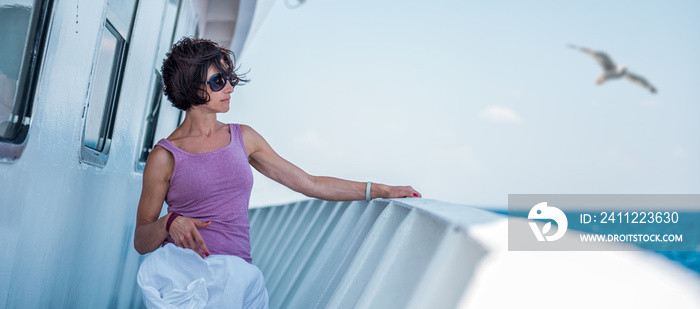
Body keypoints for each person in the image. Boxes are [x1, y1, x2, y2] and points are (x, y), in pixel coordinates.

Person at [134, 37, 421, 308]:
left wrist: (381, 190)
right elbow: (142, 240)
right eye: (219, 81)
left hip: (238, 280)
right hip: (185, 282)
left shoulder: (244, 138)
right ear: (191, 86)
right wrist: (169, 222)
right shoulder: (165, 156)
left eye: (230, 79)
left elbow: (310, 184)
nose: (230, 88)